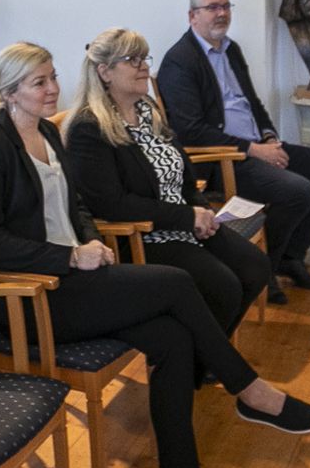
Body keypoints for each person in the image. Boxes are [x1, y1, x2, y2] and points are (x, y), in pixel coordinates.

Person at [0, 42, 310, 468]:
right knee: (175, 283)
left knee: (173, 339)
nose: (52, 89)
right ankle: (249, 389)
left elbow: (78, 208)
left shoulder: (46, 132)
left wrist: (89, 240)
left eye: (53, 77)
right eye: (39, 82)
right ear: (9, 93)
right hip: (32, 294)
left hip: (75, 276)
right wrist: (69, 256)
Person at [65, 27, 272, 338]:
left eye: (144, 57)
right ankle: (204, 354)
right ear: (105, 72)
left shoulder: (147, 109)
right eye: (132, 60)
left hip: (183, 221)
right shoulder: (90, 127)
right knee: (224, 286)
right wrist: (187, 217)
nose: (143, 66)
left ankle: (208, 351)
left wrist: (201, 211)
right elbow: (111, 204)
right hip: (143, 235)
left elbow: (184, 174)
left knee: (255, 267)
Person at [158, 0, 310, 301]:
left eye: (225, 6)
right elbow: (190, 130)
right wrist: (253, 150)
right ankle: (262, 269)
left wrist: (269, 138)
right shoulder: (180, 60)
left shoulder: (231, 50)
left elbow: (252, 104)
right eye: (212, 7)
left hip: (256, 146)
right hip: (222, 160)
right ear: (192, 16)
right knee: (298, 191)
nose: (221, 13)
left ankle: (290, 258)